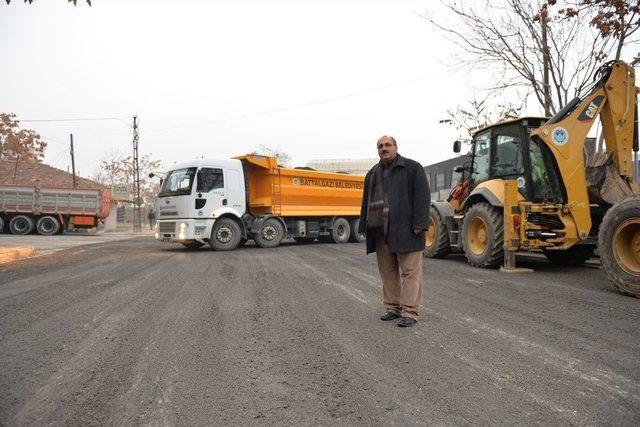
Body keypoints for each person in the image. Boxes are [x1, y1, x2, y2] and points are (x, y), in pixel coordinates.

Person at [358, 135, 430, 327]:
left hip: (407, 229)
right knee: (387, 272)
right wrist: (363, 225)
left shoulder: (412, 168)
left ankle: (410, 312)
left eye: (388, 145)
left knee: (410, 272)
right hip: (381, 230)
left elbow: (422, 197)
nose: (384, 148)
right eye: (380, 146)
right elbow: (366, 201)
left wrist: (420, 223)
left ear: (396, 147)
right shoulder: (372, 173)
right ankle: (393, 308)